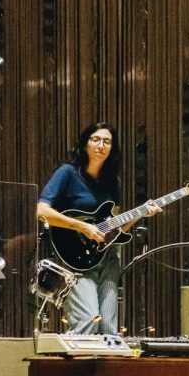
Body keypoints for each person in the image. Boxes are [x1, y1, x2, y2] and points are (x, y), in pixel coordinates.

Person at [36, 123, 159, 335]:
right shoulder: (67, 173)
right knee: (88, 320)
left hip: (107, 259)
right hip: (74, 260)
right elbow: (41, 210)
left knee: (109, 328)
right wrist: (81, 226)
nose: (101, 145)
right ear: (85, 144)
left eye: (107, 142)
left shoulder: (111, 182)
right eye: (95, 139)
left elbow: (114, 228)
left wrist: (140, 213)